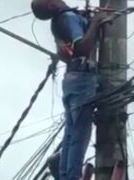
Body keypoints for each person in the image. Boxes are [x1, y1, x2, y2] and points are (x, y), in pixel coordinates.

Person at [31, 0, 107, 179]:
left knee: (71, 136)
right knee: (79, 137)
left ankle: (66, 175)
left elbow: (67, 52)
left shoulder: (59, 21)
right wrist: (96, 22)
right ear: (51, 6)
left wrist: (90, 20)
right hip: (82, 79)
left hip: (72, 79)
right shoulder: (67, 18)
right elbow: (81, 48)